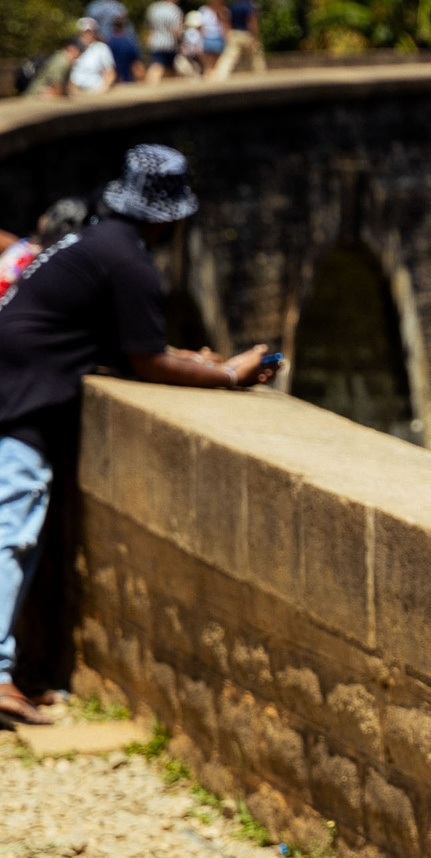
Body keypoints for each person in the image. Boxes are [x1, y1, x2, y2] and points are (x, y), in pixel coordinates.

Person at [0, 146, 279, 726]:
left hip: (16, 388)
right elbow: (147, 363)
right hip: (20, 401)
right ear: (172, 217)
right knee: (11, 532)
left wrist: (193, 361)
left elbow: (127, 347)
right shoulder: (128, 262)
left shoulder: (94, 244)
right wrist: (228, 375)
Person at [143, 0, 183, 81]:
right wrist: (180, 43)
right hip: (169, 43)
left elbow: (148, 26)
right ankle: (150, 87)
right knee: (158, 67)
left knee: (170, 69)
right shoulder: (174, 10)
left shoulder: (153, 8)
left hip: (155, 41)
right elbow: (176, 30)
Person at [67, 21, 116, 96]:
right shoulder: (77, 50)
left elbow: (110, 73)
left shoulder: (101, 48)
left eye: (88, 32)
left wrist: (103, 91)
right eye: (82, 33)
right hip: (77, 94)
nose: (85, 35)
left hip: (95, 93)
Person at [103, 15, 140, 85]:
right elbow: (135, 62)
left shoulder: (108, 42)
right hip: (127, 78)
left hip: (112, 79)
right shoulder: (129, 42)